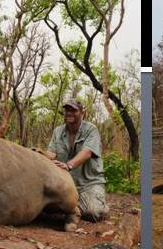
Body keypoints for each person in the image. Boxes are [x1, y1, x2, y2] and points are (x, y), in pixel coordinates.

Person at [44, 98, 108, 229]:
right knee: (44, 207)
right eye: (67, 110)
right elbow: (52, 153)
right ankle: (73, 207)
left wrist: (69, 165)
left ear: (82, 112)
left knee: (93, 213)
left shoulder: (91, 130)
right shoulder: (58, 131)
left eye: (73, 110)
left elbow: (87, 152)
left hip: (89, 183)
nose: (69, 113)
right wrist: (37, 153)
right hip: (66, 183)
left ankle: (98, 204)